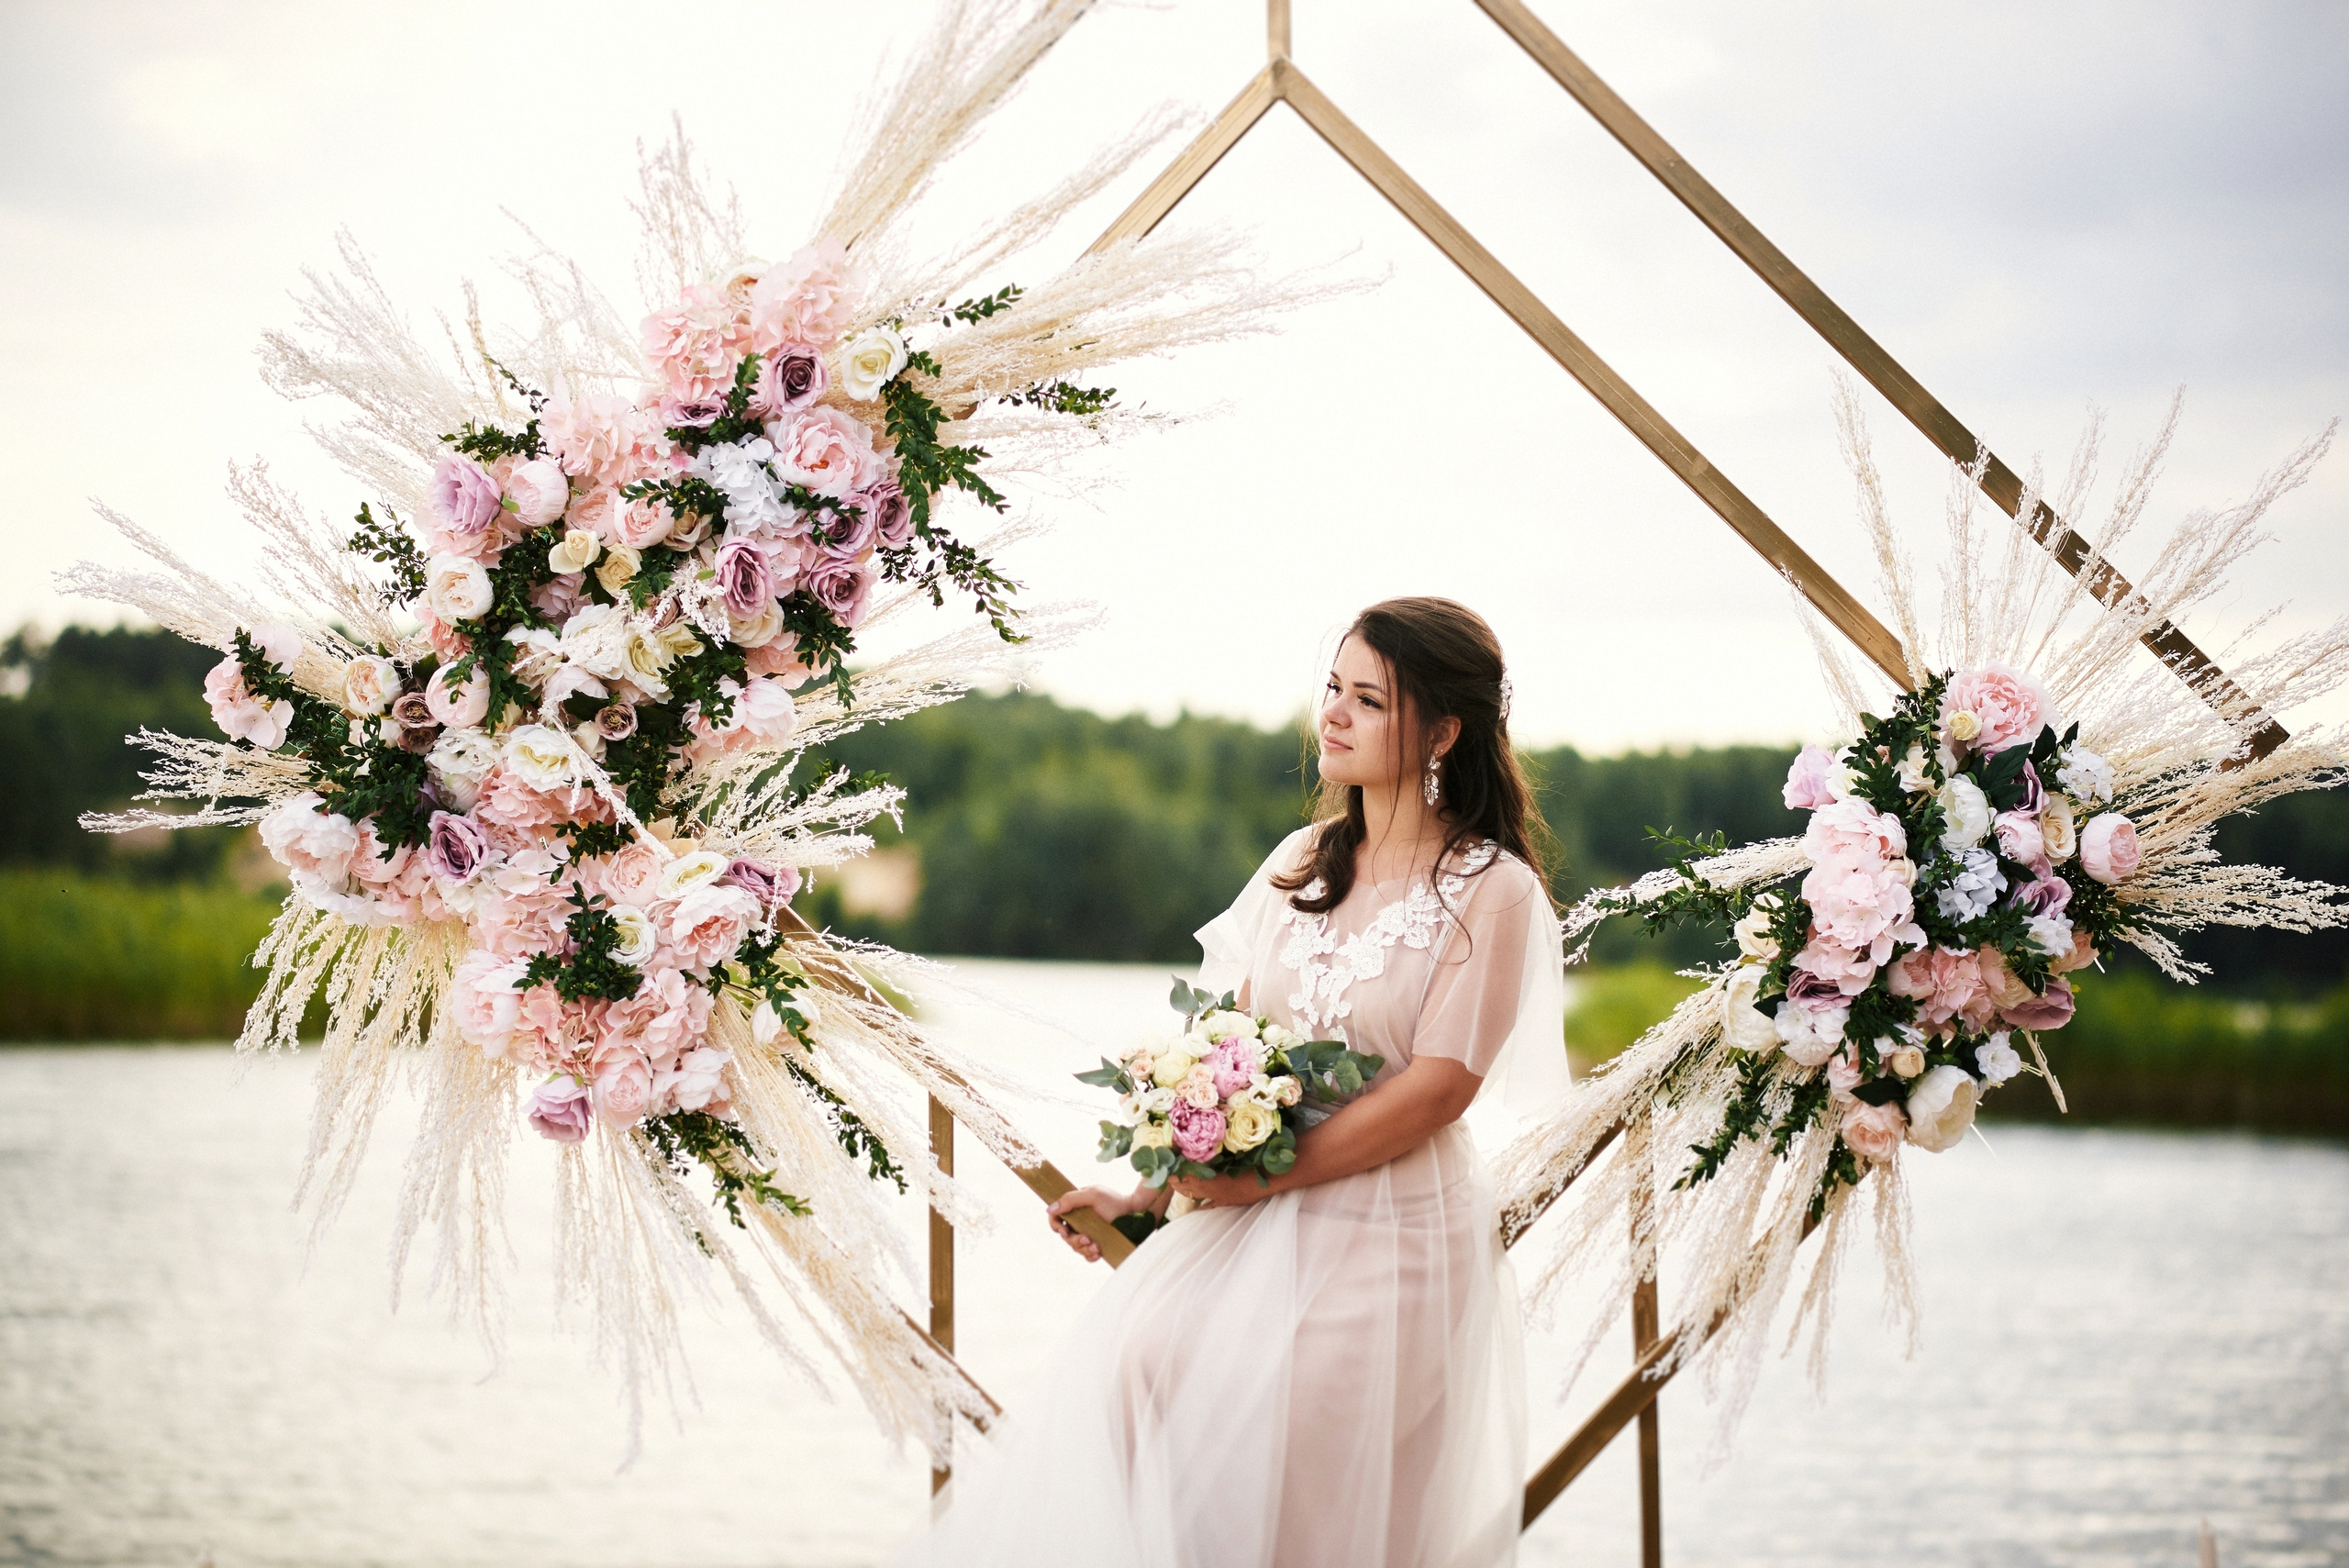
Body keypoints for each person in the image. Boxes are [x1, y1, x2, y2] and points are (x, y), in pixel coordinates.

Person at [906, 597, 1569, 1568]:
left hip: (1391, 1224)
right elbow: (1237, 1052)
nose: (1333, 715)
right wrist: (1147, 1195)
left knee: (1281, 1453)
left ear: (1443, 730)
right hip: (1253, 1208)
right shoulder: (1301, 862)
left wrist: (1263, 1179)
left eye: (1369, 699)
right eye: (1333, 688)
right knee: (1133, 1368)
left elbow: (1438, 1087)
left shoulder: (1489, 886)